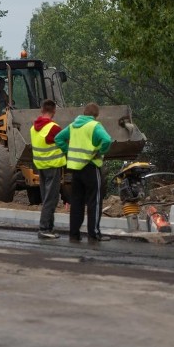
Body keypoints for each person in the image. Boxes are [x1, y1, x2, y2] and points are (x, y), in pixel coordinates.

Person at [55, 102, 113, 242]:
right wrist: (100, 151)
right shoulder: (94, 126)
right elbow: (107, 140)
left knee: (76, 202)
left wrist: (68, 151)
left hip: (76, 170)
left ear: (84, 113)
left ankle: (74, 234)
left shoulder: (73, 126)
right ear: (95, 115)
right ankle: (94, 234)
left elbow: (58, 138)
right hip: (91, 167)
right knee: (94, 201)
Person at [30, 99, 66, 239]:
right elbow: (64, 143)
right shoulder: (54, 128)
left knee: (46, 197)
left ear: (41, 110)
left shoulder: (34, 128)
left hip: (40, 166)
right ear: (54, 111)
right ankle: (44, 228)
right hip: (53, 166)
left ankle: (49, 228)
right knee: (51, 199)